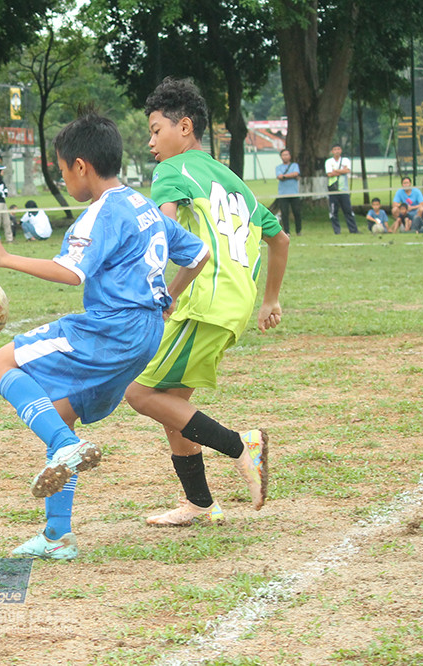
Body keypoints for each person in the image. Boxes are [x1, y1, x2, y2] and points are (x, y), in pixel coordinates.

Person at [0, 112, 210, 560]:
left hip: (110, 327)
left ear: (80, 166)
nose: (64, 180)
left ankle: (67, 449)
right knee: (58, 413)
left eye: (63, 171)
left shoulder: (100, 212)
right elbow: (197, 254)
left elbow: (70, 271)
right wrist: (168, 296)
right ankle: (57, 535)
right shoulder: (145, 206)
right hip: (145, 333)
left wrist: (6, 258)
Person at [123, 77, 289, 527]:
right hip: (232, 305)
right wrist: (269, 299)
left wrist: (162, 294)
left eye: (157, 130)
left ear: (185, 127)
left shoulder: (171, 173)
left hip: (202, 301)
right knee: (171, 402)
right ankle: (198, 502)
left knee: (138, 391)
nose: (151, 141)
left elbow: (163, 235)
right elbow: (281, 240)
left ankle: (242, 445)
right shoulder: (236, 182)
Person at [325, 144, 359, 234]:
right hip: (333, 190)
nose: (336, 151)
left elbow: (347, 171)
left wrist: (335, 170)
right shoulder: (328, 161)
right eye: (335, 149)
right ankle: (337, 231)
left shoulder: (345, 160)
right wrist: (341, 171)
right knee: (333, 212)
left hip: (344, 190)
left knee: (348, 210)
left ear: (341, 150)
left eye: (338, 149)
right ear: (332, 151)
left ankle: (353, 230)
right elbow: (329, 174)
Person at [274, 149, 302, 235]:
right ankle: (287, 231)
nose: (285, 157)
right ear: (281, 157)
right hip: (283, 194)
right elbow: (279, 176)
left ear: (290, 156)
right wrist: (290, 175)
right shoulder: (278, 167)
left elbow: (296, 173)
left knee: (297, 212)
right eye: (283, 155)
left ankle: (298, 230)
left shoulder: (294, 165)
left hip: (294, 193)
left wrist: (285, 176)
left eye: (287, 155)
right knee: (284, 213)